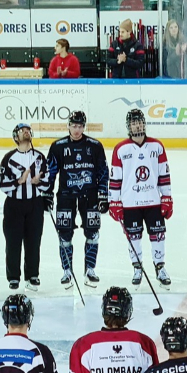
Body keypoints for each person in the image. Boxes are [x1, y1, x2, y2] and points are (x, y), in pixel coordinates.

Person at [43, 111, 108, 289]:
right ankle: (67, 271)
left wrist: (103, 194)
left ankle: (90, 269)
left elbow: (103, 172)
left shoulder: (95, 146)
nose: (77, 130)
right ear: (69, 125)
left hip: (90, 196)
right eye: (74, 126)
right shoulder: (58, 146)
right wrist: (47, 194)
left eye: (80, 126)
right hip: (66, 196)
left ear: (83, 127)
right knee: (64, 234)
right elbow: (50, 173)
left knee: (93, 232)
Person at [109, 108, 172, 286]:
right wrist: (114, 202)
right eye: (133, 122)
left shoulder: (157, 146)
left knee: (158, 235)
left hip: (153, 201)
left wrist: (167, 198)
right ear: (128, 126)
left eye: (140, 121)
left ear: (144, 123)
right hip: (130, 203)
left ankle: (160, 267)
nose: (137, 125)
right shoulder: (120, 149)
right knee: (133, 236)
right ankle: (137, 267)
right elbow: (115, 178)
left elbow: (164, 175)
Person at [0, 124, 48, 291]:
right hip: (14, 205)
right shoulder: (9, 158)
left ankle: (33, 275)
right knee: (13, 242)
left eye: (27, 130)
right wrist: (18, 181)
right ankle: (13, 277)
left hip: (35, 203)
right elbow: (2, 184)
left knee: (34, 240)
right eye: (21, 130)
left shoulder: (39, 157)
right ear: (15, 136)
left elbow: (48, 180)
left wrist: (39, 182)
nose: (26, 132)